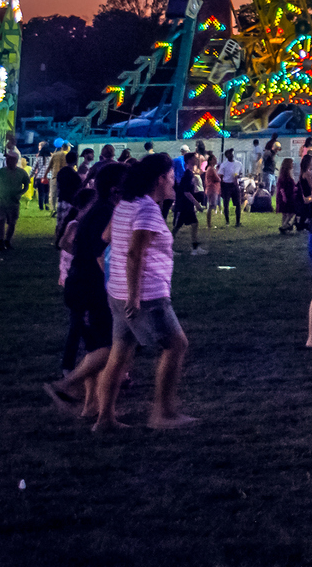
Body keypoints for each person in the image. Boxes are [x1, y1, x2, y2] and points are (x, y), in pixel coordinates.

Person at [94, 154, 195, 430]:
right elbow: (135, 253)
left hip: (116, 291)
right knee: (176, 345)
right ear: (160, 179)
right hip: (145, 295)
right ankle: (163, 414)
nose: (174, 183)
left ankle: (105, 419)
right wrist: (135, 296)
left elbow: (107, 237)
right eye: (171, 178)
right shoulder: (148, 210)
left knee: (120, 352)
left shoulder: (127, 204)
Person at [46, 166, 122, 420]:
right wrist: (115, 288)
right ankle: (65, 385)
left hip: (80, 284)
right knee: (111, 347)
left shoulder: (97, 209)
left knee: (95, 347)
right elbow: (102, 255)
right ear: (115, 189)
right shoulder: (105, 212)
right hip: (92, 287)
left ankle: (91, 406)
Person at [169, 147, 205, 256]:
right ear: (189, 160)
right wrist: (197, 204)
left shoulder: (189, 173)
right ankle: (169, 248)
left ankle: (195, 248)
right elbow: (186, 192)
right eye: (195, 158)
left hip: (185, 204)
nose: (197, 159)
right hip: (184, 205)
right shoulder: (188, 175)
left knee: (190, 224)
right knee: (179, 227)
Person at [0, 148, 27, 249]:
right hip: (2, 200)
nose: (8, 162)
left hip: (13, 201)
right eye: (7, 160)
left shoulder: (21, 173)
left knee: (12, 222)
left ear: (15, 161)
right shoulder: (0, 172)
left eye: (10, 160)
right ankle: (0, 240)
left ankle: (7, 240)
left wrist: (20, 193)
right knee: (1, 220)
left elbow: (26, 184)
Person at [216, 149, 242, 227]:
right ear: (227, 156)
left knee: (238, 203)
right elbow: (220, 175)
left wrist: (237, 176)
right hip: (226, 185)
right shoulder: (224, 165)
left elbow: (241, 173)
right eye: (229, 154)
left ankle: (238, 222)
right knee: (226, 204)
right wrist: (221, 187)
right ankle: (227, 221)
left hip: (235, 184)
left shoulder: (238, 164)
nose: (231, 155)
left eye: (232, 153)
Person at [273, 157, 297, 235]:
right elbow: (281, 186)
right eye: (291, 163)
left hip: (289, 194)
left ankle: (284, 225)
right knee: (291, 211)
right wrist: (284, 196)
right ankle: (285, 225)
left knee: (286, 212)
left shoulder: (288, 173)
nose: (293, 165)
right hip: (287, 195)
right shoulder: (285, 175)